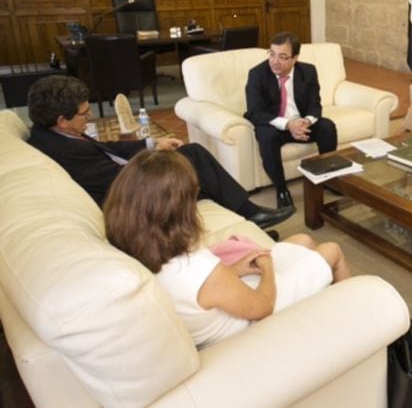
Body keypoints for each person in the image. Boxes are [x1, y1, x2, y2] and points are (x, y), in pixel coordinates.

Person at [103, 150, 350, 349]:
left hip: (224, 300)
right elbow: (263, 307)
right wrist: (267, 269)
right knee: (332, 249)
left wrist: (235, 270)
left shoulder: (133, 244)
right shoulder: (195, 268)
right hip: (251, 319)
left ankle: (320, 301)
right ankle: (356, 315)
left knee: (303, 241)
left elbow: (205, 290)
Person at [27, 75, 293, 230]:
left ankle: (245, 216)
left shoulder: (57, 132)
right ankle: (250, 214)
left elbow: (108, 150)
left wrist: (152, 144)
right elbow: (118, 178)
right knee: (195, 159)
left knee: (194, 157)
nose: (90, 117)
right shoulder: (61, 150)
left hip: (130, 182)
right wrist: (157, 160)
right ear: (62, 119)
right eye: (85, 114)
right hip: (132, 197)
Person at [244, 32, 338, 209]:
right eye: (271, 54)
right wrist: (288, 125)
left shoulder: (308, 71)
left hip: (300, 124)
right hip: (275, 125)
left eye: (282, 57)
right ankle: (281, 190)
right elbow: (255, 112)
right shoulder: (257, 74)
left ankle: (328, 178)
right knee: (266, 135)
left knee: (327, 127)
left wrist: (306, 122)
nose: (274, 61)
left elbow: (315, 105)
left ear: (295, 58)